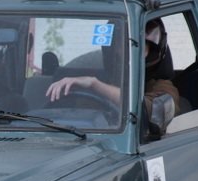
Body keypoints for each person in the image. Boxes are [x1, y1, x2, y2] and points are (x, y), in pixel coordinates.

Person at [45, 18, 179, 119]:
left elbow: (150, 109)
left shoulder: (162, 87)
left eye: (137, 46)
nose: (130, 51)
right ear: (114, 49)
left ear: (151, 51)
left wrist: (94, 84)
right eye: (123, 45)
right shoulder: (101, 83)